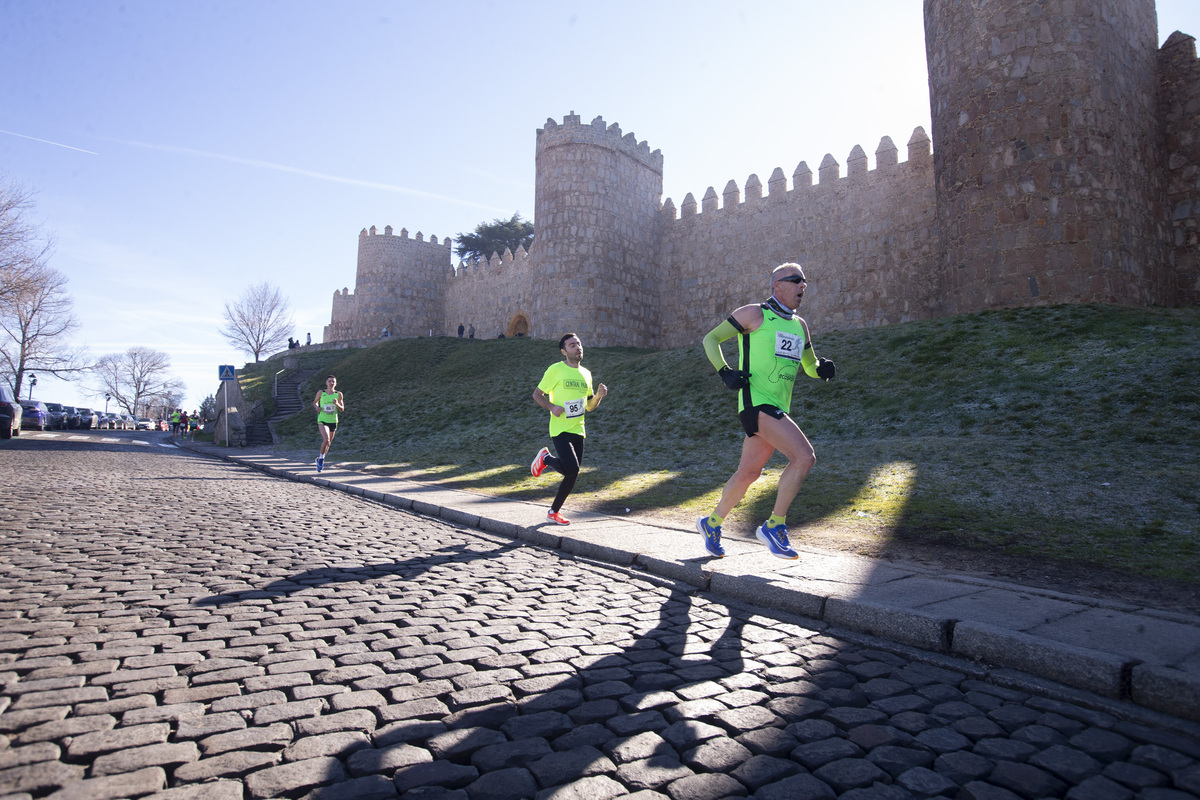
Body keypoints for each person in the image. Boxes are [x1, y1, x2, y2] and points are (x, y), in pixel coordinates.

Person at [696, 263, 836, 559]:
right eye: (796, 281)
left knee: (749, 472)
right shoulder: (754, 314)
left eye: (805, 282)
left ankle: (712, 523)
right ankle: (775, 525)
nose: (803, 287)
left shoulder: (800, 326)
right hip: (756, 403)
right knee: (804, 457)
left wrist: (821, 369)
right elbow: (710, 339)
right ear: (777, 286)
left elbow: (808, 366)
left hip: (777, 407)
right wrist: (724, 371)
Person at [530, 333, 608, 525]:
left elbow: (589, 406)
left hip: (578, 429)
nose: (578, 347)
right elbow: (537, 394)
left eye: (579, 344)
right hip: (560, 428)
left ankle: (553, 512)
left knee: (572, 473)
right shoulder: (555, 370)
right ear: (564, 351)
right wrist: (551, 407)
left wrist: (598, 396)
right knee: (572, 468)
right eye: (572, 345)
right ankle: (545, 458)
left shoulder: (586, 374)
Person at [313, 375, 344, 472]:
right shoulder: (321, 393)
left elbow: (342, 409)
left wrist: (337, 404)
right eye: (330, 381)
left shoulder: (338, 394)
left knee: (329, 443)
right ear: (326, 383)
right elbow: (315, 402)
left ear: (336, 383)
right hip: (322, 419)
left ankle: (320, 459)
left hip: (333, 420)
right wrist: (317, 407)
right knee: (326, 439)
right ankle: (321, 459)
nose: (331, 383)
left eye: (333, 382)